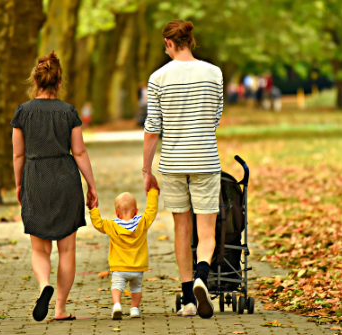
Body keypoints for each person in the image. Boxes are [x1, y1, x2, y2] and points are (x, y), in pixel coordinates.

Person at [142, 20, 223, 319]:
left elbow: (153, 128)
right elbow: (216, 117)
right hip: (205, 160)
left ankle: (188, 298)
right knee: (206, 229)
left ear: (169, 43)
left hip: (173, 164)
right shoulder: (214, 73)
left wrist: (146, 169)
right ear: (191, 41)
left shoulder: (158, 77)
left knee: (181, 228)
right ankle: (203, 274)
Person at [11, 51, 98, 322]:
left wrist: (18, 184)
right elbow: (80, 153)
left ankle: (43, 286)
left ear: (35, 82)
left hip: (35, 177)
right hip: (65, 178)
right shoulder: (69, 111)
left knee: (40, 249)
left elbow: (18, 155)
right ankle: (60, 309)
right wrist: (91, 186)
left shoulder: (22, 113)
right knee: (67, 250)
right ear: (59, 82)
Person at [89, 189, 159, 320]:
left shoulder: (112, 225)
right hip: (138, 268)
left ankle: (116, 305)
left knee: (116, 287)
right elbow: (151, 211)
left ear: (116, 212)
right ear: (136, 211)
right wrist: (153, 192)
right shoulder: (142, 222)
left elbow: (98, 223)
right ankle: (134, 309)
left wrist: (93, 209)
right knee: (136, 288)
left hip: (119, 268)